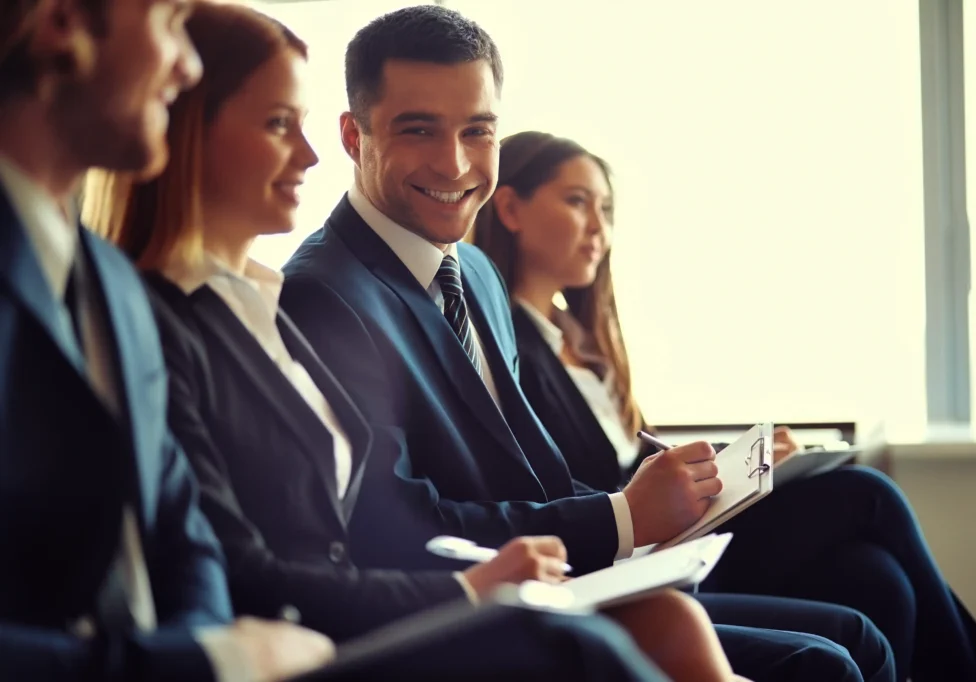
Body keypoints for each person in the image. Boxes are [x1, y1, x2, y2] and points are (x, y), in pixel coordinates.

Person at [86, 4, 747, 680]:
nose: (307, 155)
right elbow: (339, 535)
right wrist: (488, 579)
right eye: (279, 124)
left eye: (477, 130)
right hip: (349, 627)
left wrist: (640, 520)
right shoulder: (303, 295)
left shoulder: (268, 302)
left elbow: (517, 470)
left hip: (466, 585)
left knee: (713, 619)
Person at [280, 6, 896, 682]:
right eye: (418, 129)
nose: (454, 162)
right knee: (829, 656)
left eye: (477, 131)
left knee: (855, 628)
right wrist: (620, 516)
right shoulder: (323, 294)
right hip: (477, 614)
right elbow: (391, 521)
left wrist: (671, 500)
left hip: (576, 578)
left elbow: (525, 472)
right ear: (352, 134)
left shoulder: (477, 273)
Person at [472, 129, 976, 682]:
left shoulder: (582, 344)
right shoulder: (508, 349)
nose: (598, 227)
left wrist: (742, 467)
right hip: (639, 554)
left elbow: (637, 459)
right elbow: (577, 487)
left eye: (606, 209)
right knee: (868, 494)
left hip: (672, 531)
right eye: (576, 201)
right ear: (512, 208)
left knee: (876, 578)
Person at [0, 0, 338, 680]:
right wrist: (202, 664)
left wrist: (211, 652)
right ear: (62, 23)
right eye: (170, 21)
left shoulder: (115, 286)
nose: (186, 69)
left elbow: (189, 539)